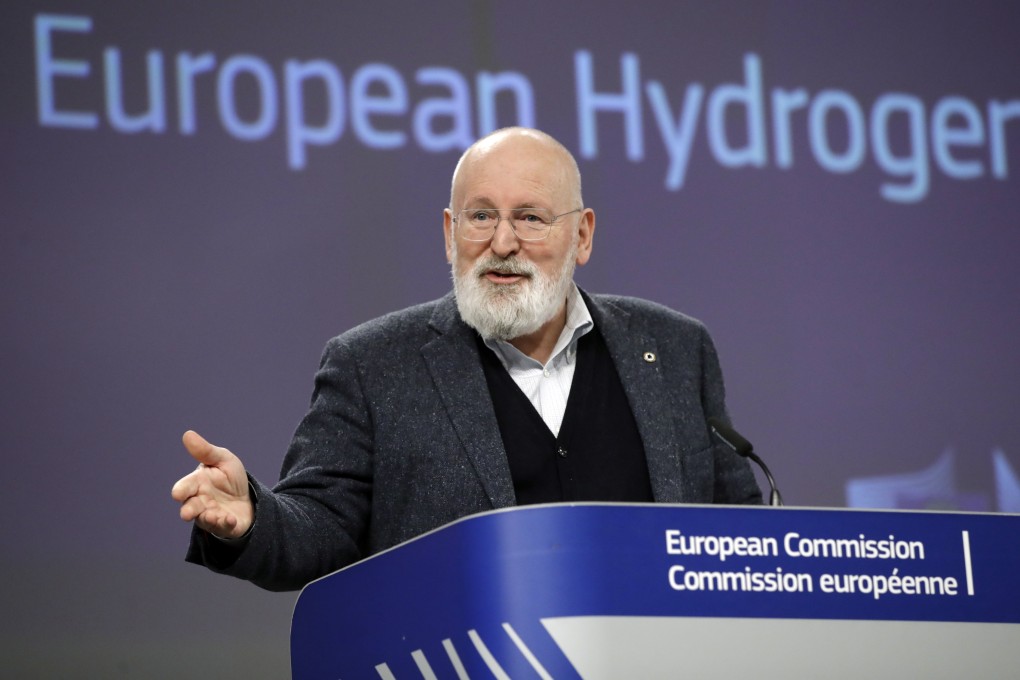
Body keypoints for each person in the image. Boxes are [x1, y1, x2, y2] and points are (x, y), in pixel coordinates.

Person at [172, 127, 762, 591]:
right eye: (481, 217)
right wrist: (254, 517)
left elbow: (742, 532)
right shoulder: (372, 365)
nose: (502, 243)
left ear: (582, 236)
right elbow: (321, 525)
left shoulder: (675, 348)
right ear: (450, 234)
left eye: (530, 218)